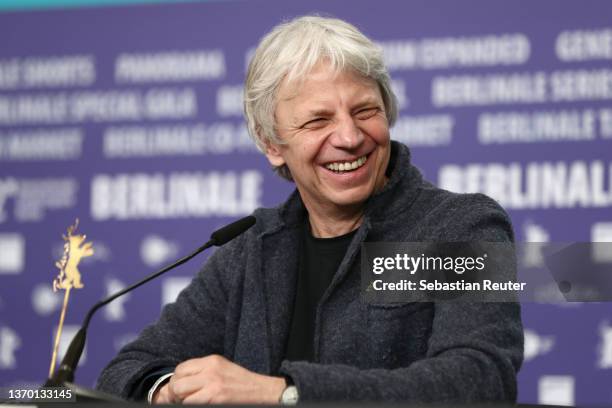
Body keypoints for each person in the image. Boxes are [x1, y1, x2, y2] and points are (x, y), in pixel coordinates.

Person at [96, 15, 523, 404]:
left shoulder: (464, 227)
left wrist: (285, 395)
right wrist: (167, 392)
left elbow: (481, 381)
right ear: (271, 145)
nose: (350, 137)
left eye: (365, 111)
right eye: (317, 121)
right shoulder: (251, 250)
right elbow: (127, 370)